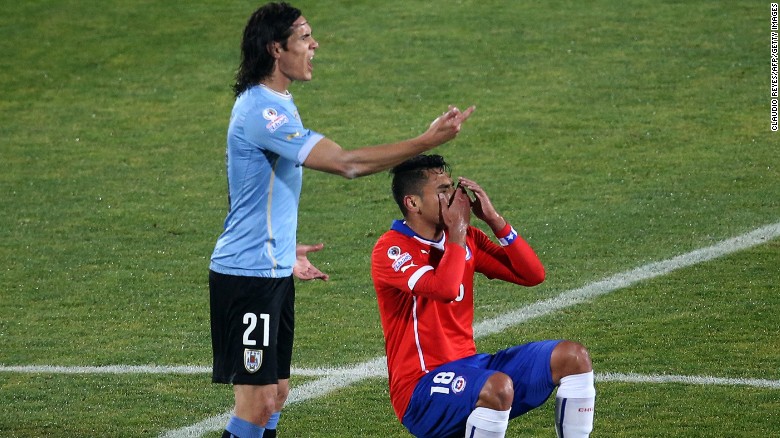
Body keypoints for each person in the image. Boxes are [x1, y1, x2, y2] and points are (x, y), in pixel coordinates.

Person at [208, 2, 475, 437]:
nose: (315, 45)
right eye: (304, 37)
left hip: (270, 268)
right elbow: (347, 164)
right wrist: (426, 140)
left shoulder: (277, 102)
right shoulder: (263, 111)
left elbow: (255, 190)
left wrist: (282, 246)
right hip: (246, 278)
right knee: (255, 404)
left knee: (275, 394)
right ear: (276, 48)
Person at [371, 154, 595, 438]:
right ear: (412, 203)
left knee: (573, 357)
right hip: (420, 389)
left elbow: (532, 275)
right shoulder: (392, 248)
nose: (453, 197)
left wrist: (494, 220)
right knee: (497, 388)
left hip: (471, 368)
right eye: (442, 191)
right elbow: (445, 288)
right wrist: (458, 232)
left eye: (451, 187)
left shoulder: (467, 239)